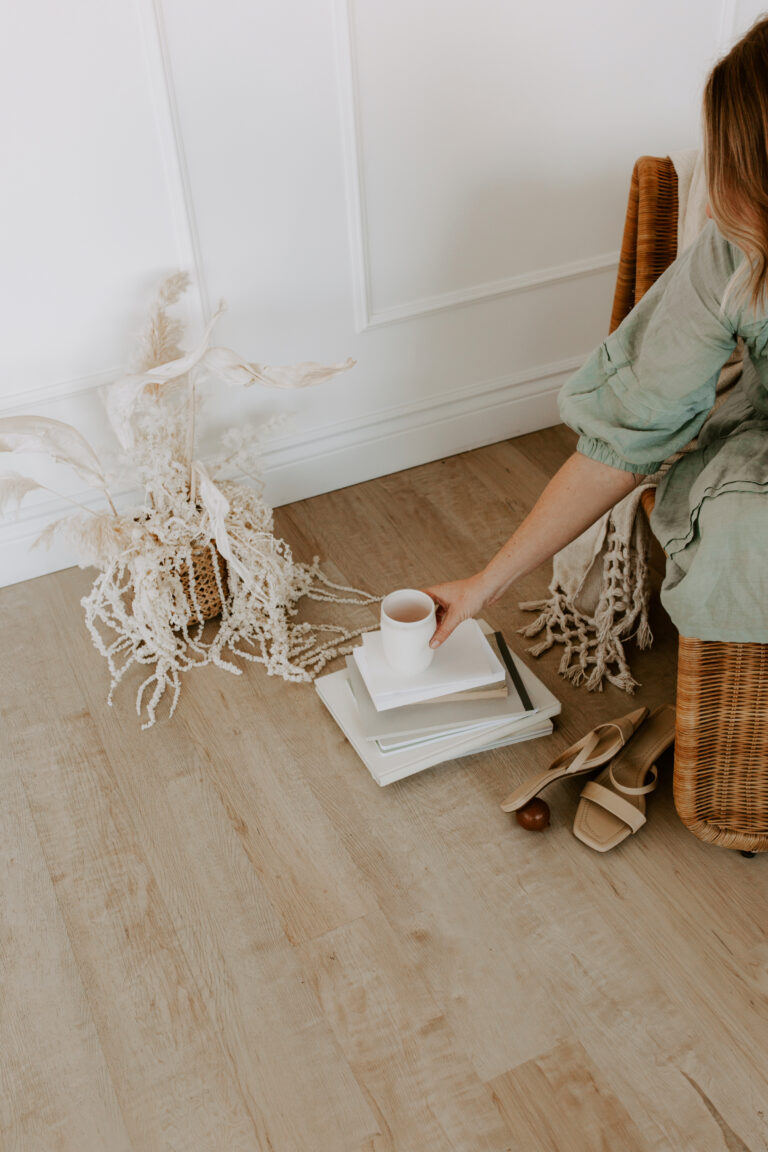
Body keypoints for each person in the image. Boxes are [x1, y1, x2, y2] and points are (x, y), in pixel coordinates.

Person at [426, 15, 768, 651]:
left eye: (737, 172)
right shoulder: (729, 255)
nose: (716, 201)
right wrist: (483, 585)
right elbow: (624, 435)